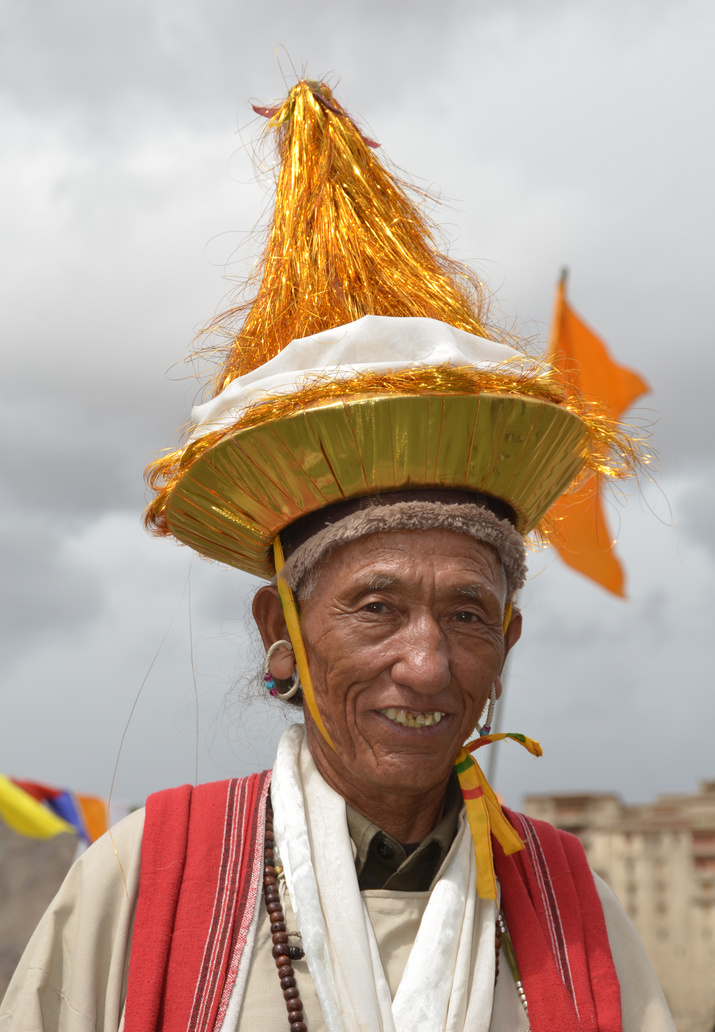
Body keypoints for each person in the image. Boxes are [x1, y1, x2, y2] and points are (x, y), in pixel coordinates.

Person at [0, 80, 674, 1032]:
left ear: (509, 638)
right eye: (375, 606)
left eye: (468, 615)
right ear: (281, 631)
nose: (427, 662)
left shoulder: (573, 910)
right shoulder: (151, 876)